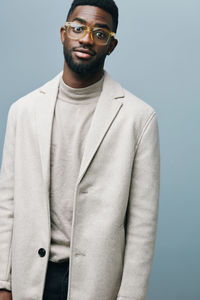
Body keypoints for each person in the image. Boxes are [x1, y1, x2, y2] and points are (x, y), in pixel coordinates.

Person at [0, 0, 160, 299]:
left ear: (111, 46)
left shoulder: (138, 118)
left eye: (100, 33)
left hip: (98, 284)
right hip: (30, 280)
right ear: (64, 33)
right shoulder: (23, 111)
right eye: (78, 28)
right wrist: (3, 283)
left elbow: (142, 225)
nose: (87, 39)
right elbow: (7, 204)